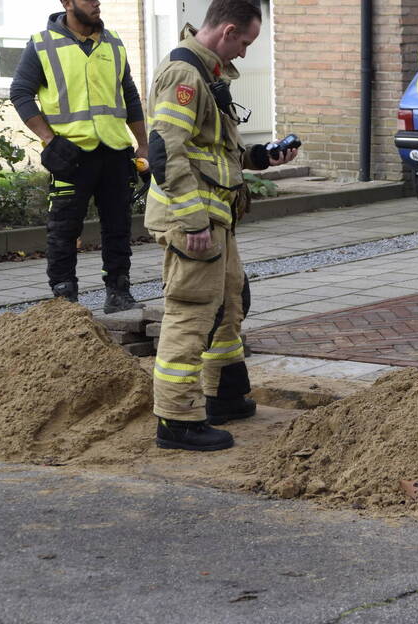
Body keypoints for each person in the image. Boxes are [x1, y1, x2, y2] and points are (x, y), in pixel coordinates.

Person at [145, 0, 297, 451]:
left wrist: (260, 158)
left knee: (229, 302)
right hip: (193, 219)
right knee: (191, 311)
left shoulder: (207, 72)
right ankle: (176, 420)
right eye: (246, 42)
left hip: (216, 216)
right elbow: (165, 152)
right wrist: (192, 221)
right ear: (228, 30)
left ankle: (224, 394)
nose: (247, 54)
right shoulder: (184, 76)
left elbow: (210, 150)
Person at [10, 0, 148, 314]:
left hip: (114, 150)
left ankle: (118, 291)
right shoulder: (42, 45)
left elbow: (129, 95)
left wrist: (143, 145)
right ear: (67, 3)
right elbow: (20, 92)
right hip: (70, 154)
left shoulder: (113, 43)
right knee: (63, 228)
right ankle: (65, 299)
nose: (97, 3)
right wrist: (48, 139)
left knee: (119, 226)